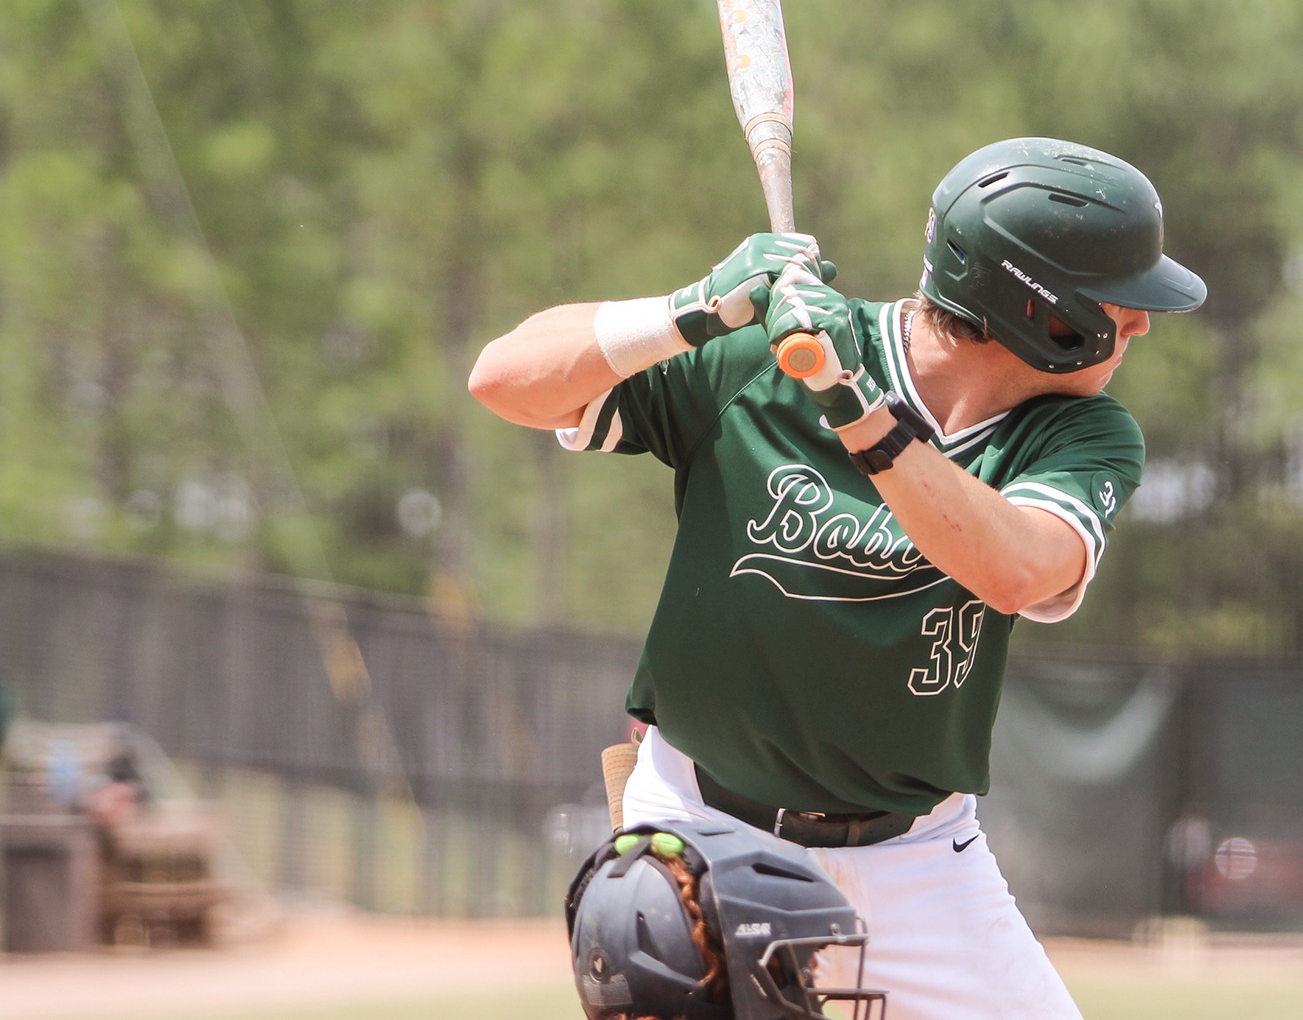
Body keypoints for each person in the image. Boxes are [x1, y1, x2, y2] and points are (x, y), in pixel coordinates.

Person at [469, 136, 1205, 1020]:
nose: (1141, 324)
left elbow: (1017, 568)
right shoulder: (766, 355)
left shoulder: (1080, 436)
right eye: (1121, 303)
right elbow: (505, 379)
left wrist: (860, 412)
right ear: (1046, 314)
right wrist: (692, 308)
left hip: (920, 864)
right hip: (705, 836)